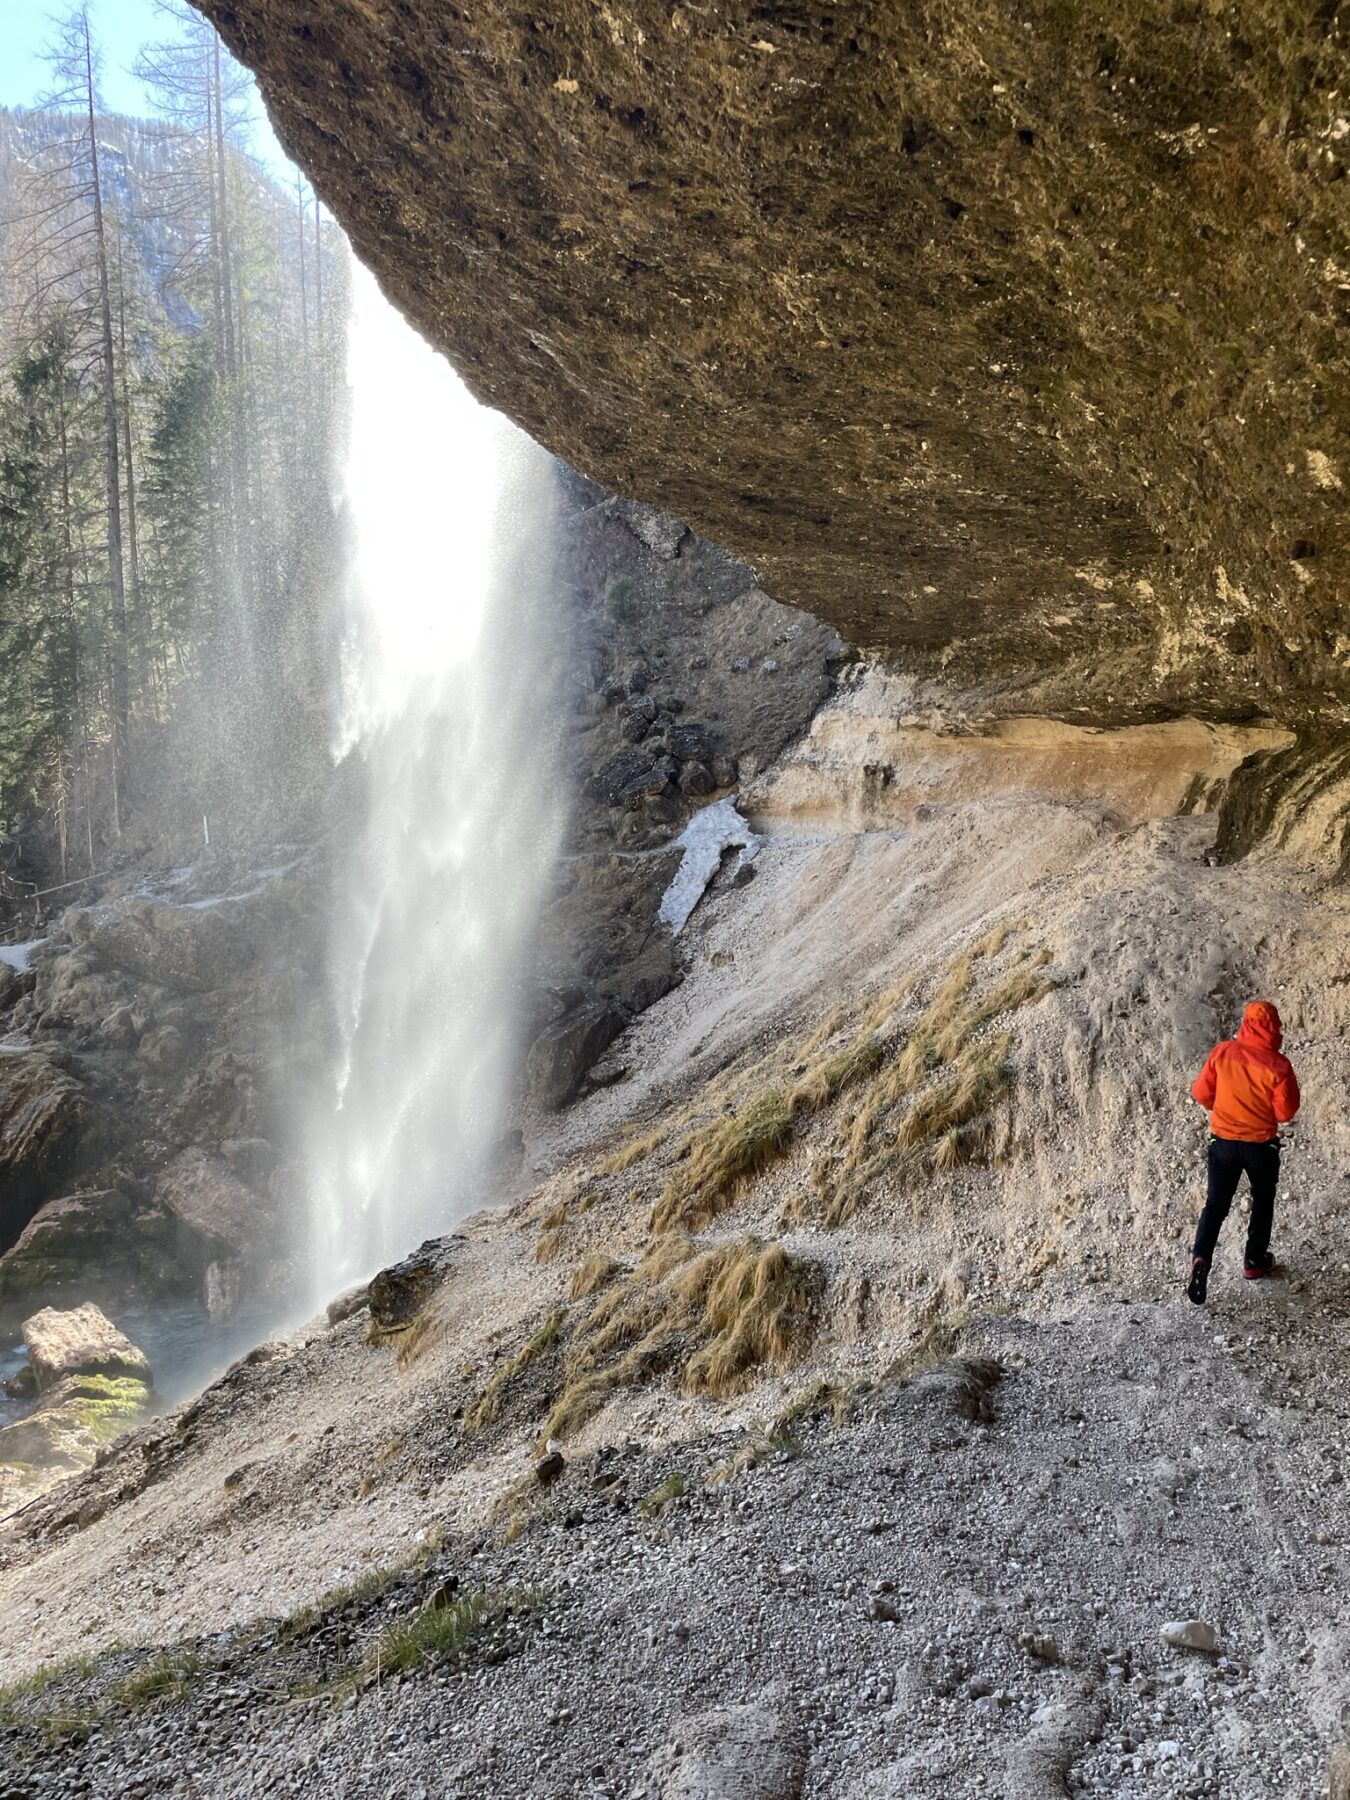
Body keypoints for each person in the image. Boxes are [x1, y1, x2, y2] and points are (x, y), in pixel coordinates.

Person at [1186, 1000, 1300, 1304]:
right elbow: (1286, 1111)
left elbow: (1200, 1093)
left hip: (1222, 1143)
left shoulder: (1223, 1052)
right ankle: (1253, 1262)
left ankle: (1200, 1260)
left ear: (1245, 1023)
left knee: (1216, 1205)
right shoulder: (1278, 1065)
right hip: (1261, 1146)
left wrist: (1222, 1109)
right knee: (1263, 1200)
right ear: (1275, 1028)